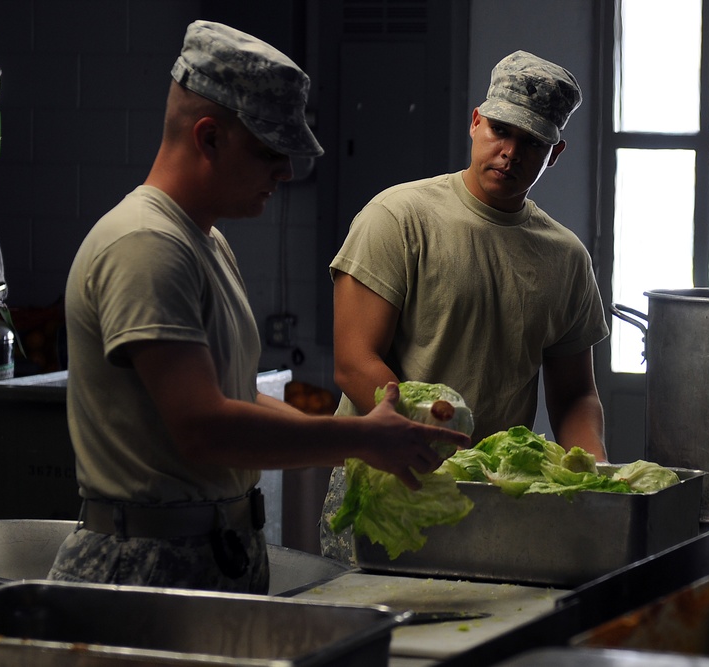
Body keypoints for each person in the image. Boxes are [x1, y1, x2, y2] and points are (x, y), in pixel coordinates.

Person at [47, 20, 470, 595]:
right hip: (145, 569)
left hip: (208, 553)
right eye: (270, 150)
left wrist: (363, 436)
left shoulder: (206, 241)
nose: (286, 172)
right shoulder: (144, 244)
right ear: (209, 136)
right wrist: (358, 441)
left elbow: (235, 404)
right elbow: (202, 429)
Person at [320, 50, 609, 562]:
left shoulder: (565, 257)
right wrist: (428, 440)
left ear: (555, 153)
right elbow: (353, 363)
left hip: (492, 497)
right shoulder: (399, 217)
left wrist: (592, 475)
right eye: (501, 129)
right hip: (388, 485)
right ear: (476, 121)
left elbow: (575, 395)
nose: (511, 152)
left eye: (533, 142)